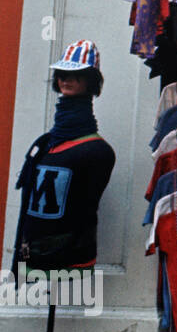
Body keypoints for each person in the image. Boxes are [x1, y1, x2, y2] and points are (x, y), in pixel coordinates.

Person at [12, 40, 116, 273]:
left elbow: (85, 210)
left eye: (75, 74)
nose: (66, 80)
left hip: (70, 257)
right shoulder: (44, 145)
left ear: (90, 80)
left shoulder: (98, 152)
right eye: (62, 74)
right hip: (33, 253)